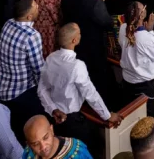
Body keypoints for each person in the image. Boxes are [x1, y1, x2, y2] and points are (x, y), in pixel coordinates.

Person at [38, 24, 120, 152]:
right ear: (74, 41)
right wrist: (107, 116)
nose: (81, 35)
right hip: (72, 121)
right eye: (79, 33)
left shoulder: (50, 58)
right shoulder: (77, 66)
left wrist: (53, 109)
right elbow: (91, 94)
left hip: (55, 118)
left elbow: (42, 89)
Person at [60, 0, 114, 103]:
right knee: (96, 82)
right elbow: (107, 23)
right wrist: (99, 3)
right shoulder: (95, 3)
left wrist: (96, 1)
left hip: (74, 46)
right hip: (93, 49)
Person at [0, 0, 45, 140]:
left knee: (14, 133)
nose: (38, 7)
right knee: (30, 135)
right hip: (22, 93)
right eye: (35, 6)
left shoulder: (8, 23)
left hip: (3, 90)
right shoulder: (31, 35)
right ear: (29, 16)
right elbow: (38, 69)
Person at [118, 1, 154, 105]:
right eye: (144, 7)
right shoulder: (145, 37)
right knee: (148, 118)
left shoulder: (123, 28)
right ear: (142, 15)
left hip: (127, 81)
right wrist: (150, 31)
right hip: (143, 85)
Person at [22, 114, 93, 159]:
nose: (43, 147)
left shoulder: (78, 153)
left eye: (46, 138)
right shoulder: (28, 153)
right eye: (36, 144)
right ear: (29, 144)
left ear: (51, 130)